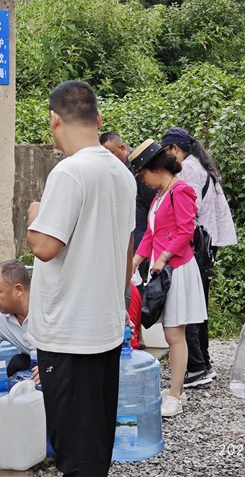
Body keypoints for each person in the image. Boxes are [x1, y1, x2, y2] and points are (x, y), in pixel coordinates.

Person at [26, 80, 136, 477]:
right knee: (96, 441)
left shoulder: (69, 172)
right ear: (98, 118)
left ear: (54, 120)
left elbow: (44, 246)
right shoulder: (121, 173)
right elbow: (127, 249)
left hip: (69, 334)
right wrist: (121, 303)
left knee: (74, 449)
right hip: (104, 328)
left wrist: (34, 214)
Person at [129, 138, 207, 418]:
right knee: (171, 333)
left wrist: (162, 258)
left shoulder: (180, 190)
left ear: (156, 168)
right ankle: (176, 389)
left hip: (177, 269)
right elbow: (151, 234)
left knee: (174, 334)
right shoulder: (160, 196)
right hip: (163, 270)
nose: (142, 181)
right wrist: (136, 261)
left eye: (142, 174)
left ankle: (175, 395)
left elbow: (186, 230)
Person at [160, 127, 237, 388]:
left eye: (166, 152)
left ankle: (195, 367)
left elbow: (189, 211)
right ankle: (203, 363)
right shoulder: (203, 166)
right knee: (199, 304)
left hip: (193, 245)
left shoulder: (188, 169)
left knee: (188, 305)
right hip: (207, 244)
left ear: (175, 149)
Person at [99, 131, 156, 349]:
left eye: (110, 152)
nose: (108, 157)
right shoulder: (113, 172)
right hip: (128, 234)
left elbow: (152, 207)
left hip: (140, 236)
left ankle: (137, 333)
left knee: (136, 283)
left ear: (122, 149)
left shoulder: (137, 171)